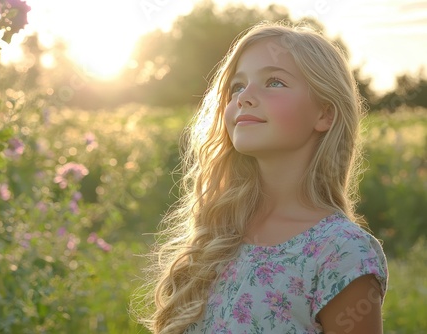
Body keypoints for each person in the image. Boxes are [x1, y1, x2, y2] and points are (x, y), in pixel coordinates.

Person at [137, 22, 388, 334]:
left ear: (325, 113)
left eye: (274, 82)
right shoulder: (219, 232)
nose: (245, 97)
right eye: (237, 87)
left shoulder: (341, 253)